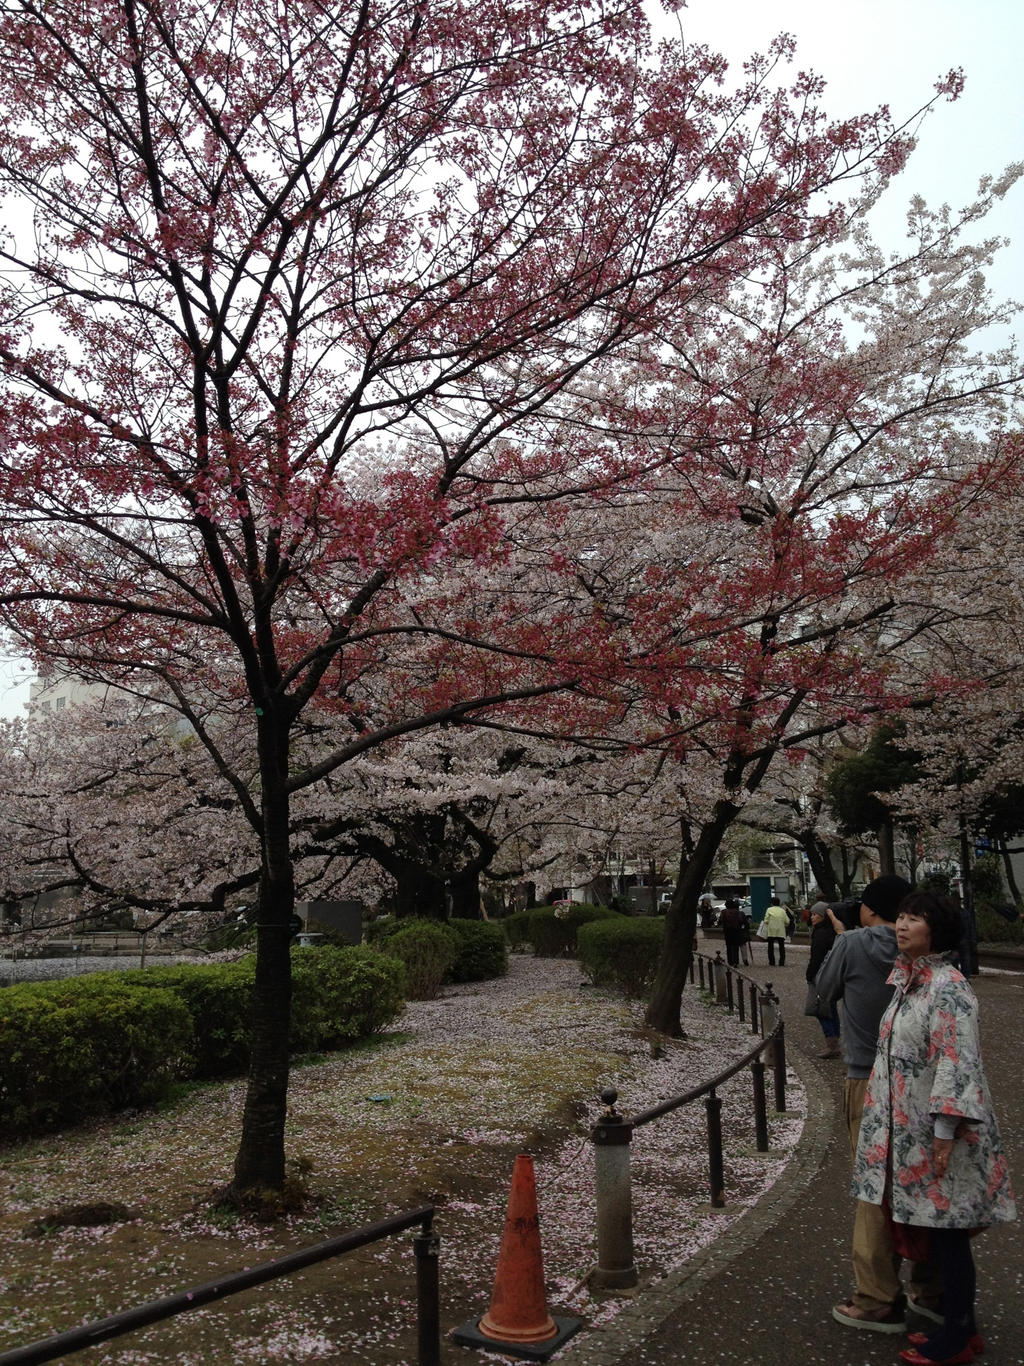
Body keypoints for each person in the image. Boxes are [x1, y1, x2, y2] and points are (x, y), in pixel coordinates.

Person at [852, 891, 1016, 1365]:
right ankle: (965, 1329)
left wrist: (944, 1133)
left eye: (915, 919)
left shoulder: (947, 986)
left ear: (937, 931)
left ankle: (959, 1336)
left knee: (949, 1232)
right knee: (938, 1232)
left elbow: (957, 1062)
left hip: (941, 1136)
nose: (902, 925)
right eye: (900, 917)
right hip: (911, 1133)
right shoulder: (911, 981)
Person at [815, 873, 943, 1333]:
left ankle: (875, 1297)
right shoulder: (926, 960)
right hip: (923, 1084)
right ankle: (931, 1288)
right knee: (924, 1180)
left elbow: (820, 996)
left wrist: (842, 945)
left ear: (869, 910)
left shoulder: (854, 945)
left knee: (874, 1186)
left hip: (867, 1076)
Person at [806, 900, 841, 1058]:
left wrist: (810, 975)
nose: (812, 917)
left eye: (815, 914)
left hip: (821, 975)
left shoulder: (820, 933)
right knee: (830, 1008)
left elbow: (816, 958)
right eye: (812, 914)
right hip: (831, 974)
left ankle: (831, 1045)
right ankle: (834, 1042)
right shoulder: (831, 931)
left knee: (821, 1009)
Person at [720, 897, 749, 967]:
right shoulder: (737, 912)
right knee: (735, 946)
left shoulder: (723, 912)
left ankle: (730, 961)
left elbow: (721, 921)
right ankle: (736, 961)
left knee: (729, 946)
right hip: (736, 930)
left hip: (727, 931)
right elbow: (741, 921)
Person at [761, 899, 789, 967]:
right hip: (781, 931)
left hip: (771, 931)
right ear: (779, 903)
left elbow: (766, 920)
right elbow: (787, 921)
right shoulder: (782, 911)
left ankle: (772, 962)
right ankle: (781, 963)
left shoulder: (769, 909)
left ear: (772, 903)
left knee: (770, 947)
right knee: (781, 947)